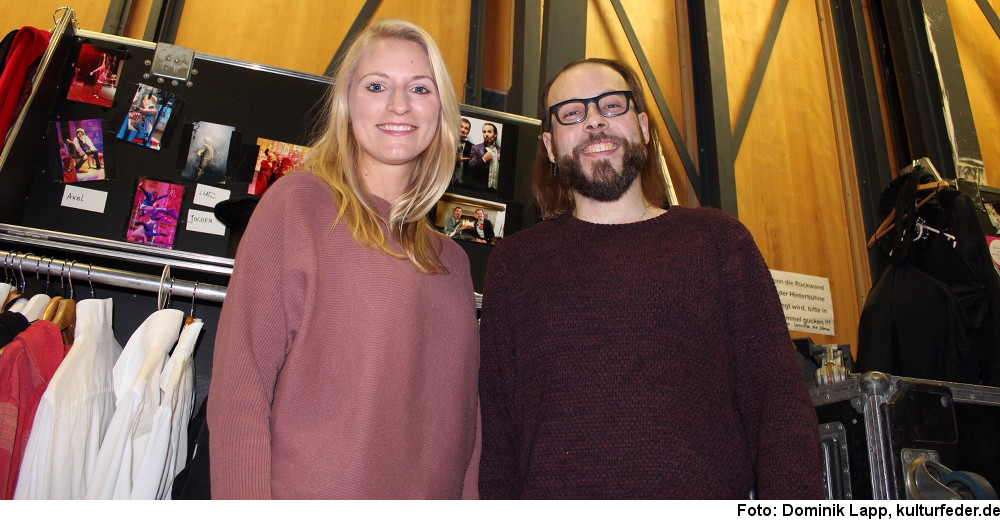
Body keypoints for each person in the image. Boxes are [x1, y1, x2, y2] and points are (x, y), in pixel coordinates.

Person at [477, 58, 824, 499]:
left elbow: (780, 406)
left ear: (641, 124)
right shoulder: (514, 264)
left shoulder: (719, 242)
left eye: (611, 105)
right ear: (549, 144)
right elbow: (495, 432)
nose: (595, 121)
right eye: (572, 113)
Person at [208, 19, 480, 499]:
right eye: (377, 86)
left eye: (419, 88)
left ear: (442, 111)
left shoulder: (453, 263)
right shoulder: (298, 208)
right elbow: (240, 388)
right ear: (347, 102)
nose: (399, 105)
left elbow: (466, 429)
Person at [468, 122, 500, 190]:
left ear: (495, 135)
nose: (486, 134)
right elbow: (470, 168)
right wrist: (483, 159)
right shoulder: (475, 148)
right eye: (484, 132)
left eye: (489, 132)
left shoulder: (501, 150)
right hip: (481, 189)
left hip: (497, 190)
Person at [454, 118, 472, 183]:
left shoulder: (473, 147)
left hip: (464, 183)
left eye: (466, 128)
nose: (463, 130)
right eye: (461, 126)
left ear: (469, 131)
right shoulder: (449, 142)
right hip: (448, 181)